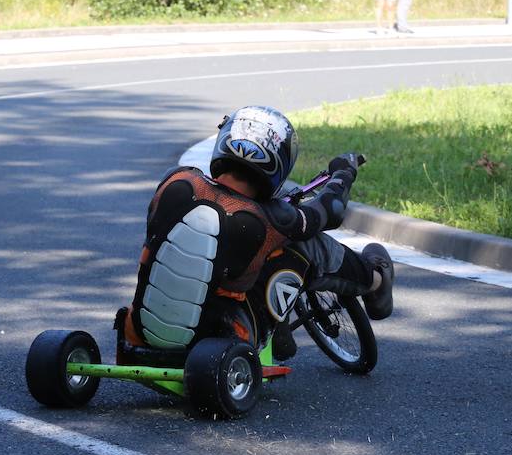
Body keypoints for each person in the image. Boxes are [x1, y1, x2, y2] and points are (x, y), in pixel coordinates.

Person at [119, 105, 395, 362]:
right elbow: (330, 210)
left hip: (139, 333)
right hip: (220, 347)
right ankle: (375, 280)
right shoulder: (272, 219)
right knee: (305, 246)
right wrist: (343, 173)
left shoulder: (175, 181)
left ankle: (278, 330)